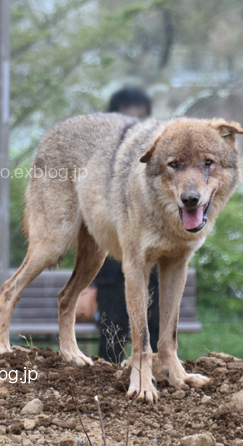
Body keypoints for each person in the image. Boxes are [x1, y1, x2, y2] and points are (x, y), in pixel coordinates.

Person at [94, 86, 160, 363]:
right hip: (110, 268)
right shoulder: (102, 158)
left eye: (141, 119)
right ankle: (106, 386)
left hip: (150, 265)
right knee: (111, 333)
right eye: (128, 120)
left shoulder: (157, 157)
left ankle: (155, 376)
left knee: (152, 332)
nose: (135, 127)